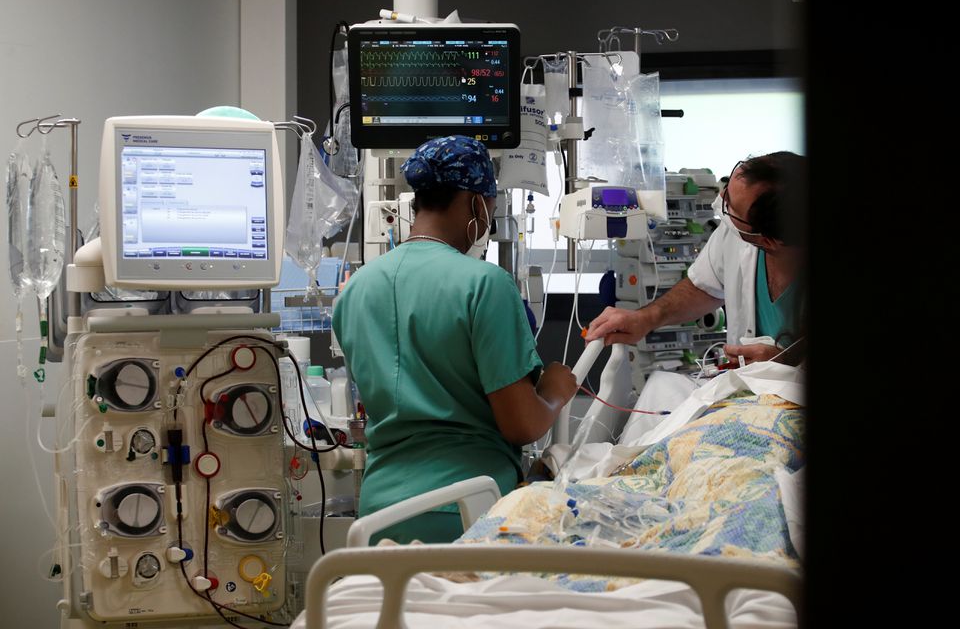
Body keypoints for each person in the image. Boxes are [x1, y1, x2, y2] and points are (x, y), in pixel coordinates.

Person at [332, 135, 578, 544]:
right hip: (467, 510)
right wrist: (554, 391)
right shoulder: (484, 284)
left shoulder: (355, 290)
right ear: (476, 203)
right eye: (492, 207)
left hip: (378, 516)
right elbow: (521, 425)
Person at [586, 152, 807, 364]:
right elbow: (703, 287)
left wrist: (785, 363)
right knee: (661, 387)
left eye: (730, 205)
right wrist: (646, 318)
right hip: (749, 393)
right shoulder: (737, 234)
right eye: (727, 186)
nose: (720, 198)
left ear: (767, 240)